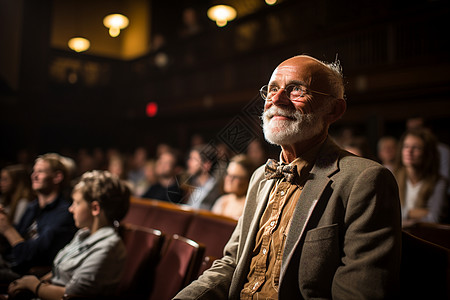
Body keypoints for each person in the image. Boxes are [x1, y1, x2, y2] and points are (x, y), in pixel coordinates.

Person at [175, 55, 401, 299]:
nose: (277, 99)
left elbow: (358, 294)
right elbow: (231, 264)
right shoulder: (260, 177)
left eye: (296, 90)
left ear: (334, 110)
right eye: (272, 89)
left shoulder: (365, 180)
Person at [7, 170, 131, 299]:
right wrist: (36, 283)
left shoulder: (107, 247)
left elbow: (72, 295)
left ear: (95, 208)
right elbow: (58, 272)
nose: (70, 209)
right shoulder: (84, 233)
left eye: (77, 203)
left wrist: (33, 285)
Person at [0, 154, 76, 279]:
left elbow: (30, 256)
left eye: (40, 171)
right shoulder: (32, 207)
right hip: (11, 266)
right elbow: (11, 245)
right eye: (33, 171)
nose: (34, 176)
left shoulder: (64, 213)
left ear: (57, 177)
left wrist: (7, 229)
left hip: (29, 275)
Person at [393, 128, 449, 225]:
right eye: (406, 146)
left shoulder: (439, 182)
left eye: (416, 148)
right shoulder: (393, 177)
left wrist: (404, 216)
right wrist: (414, 213)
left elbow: (434, 219)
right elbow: (387, 215)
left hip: (423, 238)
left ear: (428, 153)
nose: (409, 151)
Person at [212, 155, 256, 220]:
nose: (229, 179)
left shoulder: (249, 207)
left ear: (248, 181)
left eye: (235, 177)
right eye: (228, 174)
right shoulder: (222, 201)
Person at [184, 144, 222, 210]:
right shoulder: (192, 185)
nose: (189, 162)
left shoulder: (216, 190)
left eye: (193, 159)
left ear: (206, 165)